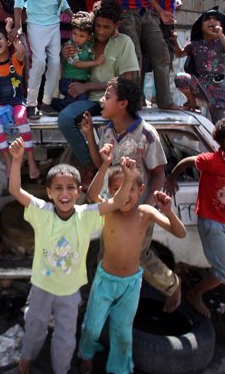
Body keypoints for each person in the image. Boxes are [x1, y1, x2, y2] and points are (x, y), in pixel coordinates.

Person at [8, 137, 136, 374]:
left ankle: (62, 369)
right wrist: (16, 161)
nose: (64, 194)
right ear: (49, 192)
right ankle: (26, 359)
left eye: (70, 188)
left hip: (69, 292)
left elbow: (117, 201)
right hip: (42, 286)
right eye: (58, 188)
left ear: (79, 192)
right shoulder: (41, 212)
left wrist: (127, 177)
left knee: (66, 336)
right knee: (35, 326)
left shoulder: (86, 214)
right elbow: (15, 190)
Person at [81, 77, 182, 312]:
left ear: (123, 103)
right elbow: (100, 164)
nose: (102, 101)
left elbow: (158, 174)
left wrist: (144, 209)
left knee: (138, 254)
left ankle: (172, 285)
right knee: (109, 251)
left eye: (107, 96)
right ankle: (104, 299)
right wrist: (89, 135)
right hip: (113, 204)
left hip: (136, 206)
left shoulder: (145, 134)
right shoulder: (107, 131)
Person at [79, 153, 186, 374]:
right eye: (116, 189)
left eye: (129, 188)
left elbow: (180, 232)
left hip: (131, 285)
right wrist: (106, 163)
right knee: (92, 326)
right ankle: (87, 355)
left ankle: (119, 368)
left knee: (122, 331)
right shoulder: (109, 210)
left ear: (141, 190)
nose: (123, 194)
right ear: (109, 192)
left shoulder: (145, 212)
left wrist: (168, 211)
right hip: (104, 281)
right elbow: (91, 194)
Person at [165, 117, 225, 348]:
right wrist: (171, 178)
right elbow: (186, 161)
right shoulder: (211, 161)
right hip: (212, 223)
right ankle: (195, 293)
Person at [57, 0, 139, 182]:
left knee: (65, 118)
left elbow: (127, 81)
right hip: (81, 95)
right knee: (59, 114)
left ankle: (89, 166)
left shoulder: (124, 43)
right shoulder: (86, 37)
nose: (101, 31)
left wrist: (87, 86)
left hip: (105, 100)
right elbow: (70, 61)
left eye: (106, 27)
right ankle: (90, 163)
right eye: (98, 26)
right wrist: (65, 54)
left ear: (116, 26)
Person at [12, 0, 73, 119]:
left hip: (53, 24)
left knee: (55, 63)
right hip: (36, 24)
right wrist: (17, 25)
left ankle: (46, 102)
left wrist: (71, 13)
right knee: (39, 62)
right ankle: (31, 103)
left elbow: (61, 0)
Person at [0, 27, 40, 180]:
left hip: (17, 101)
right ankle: (8, 160)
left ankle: (30, 159)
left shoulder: (15, 59)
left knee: (21, 118)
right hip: (1, 103)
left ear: (7, 42)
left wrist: (11, 33)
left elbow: (21, 52)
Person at [174, 7, 225, 123]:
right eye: (208, 19)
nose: (212, 22)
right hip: (199, 84)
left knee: (219, 124)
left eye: (215, 19)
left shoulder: (224, 42)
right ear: (201, 26)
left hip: (217, 88)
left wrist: (221, 36)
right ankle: (192, 102)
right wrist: (174, 41)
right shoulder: (194, 44)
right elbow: (179, 53)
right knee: (180, 78)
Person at [57, 11, 104, 107]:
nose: (77, 38)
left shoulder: (88, 43)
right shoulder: (70, 46)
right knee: (81, 98)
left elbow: (98, 34)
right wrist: (95, 62)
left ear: (89, 37)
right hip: (69, 82)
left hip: (81, 82)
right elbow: (77, 64)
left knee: (80, 99)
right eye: (74, 34)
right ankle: (56, 104)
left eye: (81, 36)